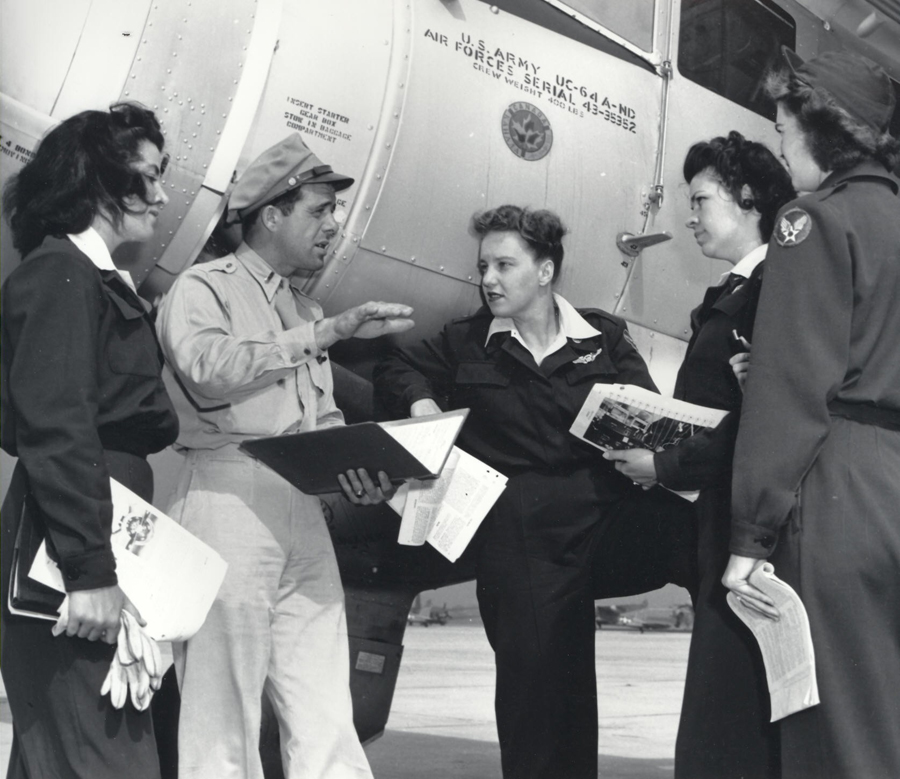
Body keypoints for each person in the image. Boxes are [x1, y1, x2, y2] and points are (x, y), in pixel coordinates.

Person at [373, 205, 698, 779]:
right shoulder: (467, 341)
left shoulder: (602, 337)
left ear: (545, 272)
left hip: (602, 523)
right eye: (483, 266)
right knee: (537, 697)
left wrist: (650, 452)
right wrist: (422, 401)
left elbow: (650, 411)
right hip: (518, 535)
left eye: (504, 264)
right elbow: (395, 367)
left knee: (706, 541)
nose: (488, 279)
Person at [155, 132, 414, 779]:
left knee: (328, 715)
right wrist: (323, 334)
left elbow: (319, 423)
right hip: (227, 501)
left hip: (305, 510)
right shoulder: (202, 288)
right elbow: (209, 371)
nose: (334, 225)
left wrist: (360, 470)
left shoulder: (304, 307)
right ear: (271, 213)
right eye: (320, 210)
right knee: (222, 717)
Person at [721, 47, 900, 779]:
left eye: (783, 128)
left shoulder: (810, 223)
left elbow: (790, 391)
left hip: (838, 486)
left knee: (837, 738)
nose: (778, 145)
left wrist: (751, 532)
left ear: (823, 131)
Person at [605, 132, 795, 778]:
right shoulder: (740, 290)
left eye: (701, 199)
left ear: (748, 199)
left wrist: (661, 465)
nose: (690, 215)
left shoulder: (777, 289)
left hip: (746, 532)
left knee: (728, 716)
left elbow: (757, 422)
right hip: (718, 524)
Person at [0, 103, 178, 779]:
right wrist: (91, 572)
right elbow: (56, 426)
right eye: (150, 175)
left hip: (98, 531)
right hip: (74, 547)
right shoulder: (62, 275)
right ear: (101, 181)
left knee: (60, 754)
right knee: (107, 756)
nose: (161, 194)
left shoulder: (86, 279)